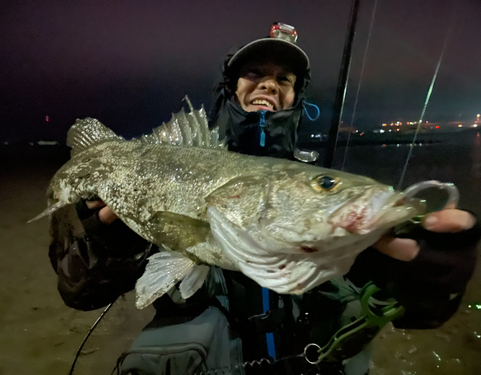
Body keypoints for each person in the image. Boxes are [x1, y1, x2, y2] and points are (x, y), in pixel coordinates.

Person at [49, 23, 480, 375]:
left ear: (296, 97)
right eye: (254, 73)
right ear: (230, 88)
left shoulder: (333, 222)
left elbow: (415, 315)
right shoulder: (175, 167)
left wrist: (431, 276)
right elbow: (79, 292)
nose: (269, 84)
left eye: (284, 79)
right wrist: (101, 238)